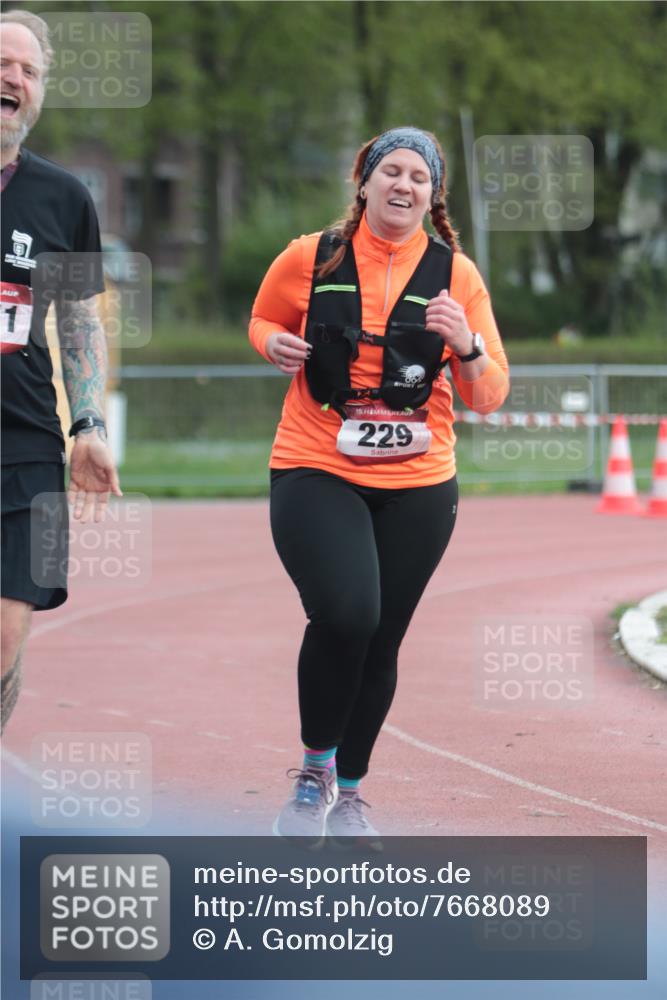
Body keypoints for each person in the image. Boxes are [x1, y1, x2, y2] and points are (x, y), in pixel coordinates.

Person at [249, 126, 509, 845]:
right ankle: (313, 772)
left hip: (420, 480)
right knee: (347, 613)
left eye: (419, 177)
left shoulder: (457, 275)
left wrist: (465, 344)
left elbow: (489, 395)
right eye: (391, 171)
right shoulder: (312, 256)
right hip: (317, 460)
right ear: (363, 183)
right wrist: (271, 342)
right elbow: (263, 317)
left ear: (433, 196)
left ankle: (350, 792)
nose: (404, 185)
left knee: (383, 637)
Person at [1, 10, 122, 731]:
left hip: (25, 443)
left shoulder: (66, 199)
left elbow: (78, 322)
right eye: (2, 63)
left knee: (6, 633)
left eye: (29, 70)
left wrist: (89, 424)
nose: (13, 79)